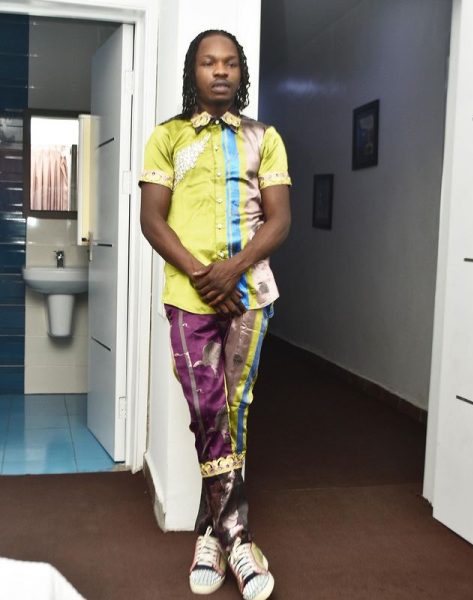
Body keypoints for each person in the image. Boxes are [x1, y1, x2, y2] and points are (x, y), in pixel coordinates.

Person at [139, 29, 291, 600]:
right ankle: (239, 540)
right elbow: (152, 219)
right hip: (188, 295)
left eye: (230, 63)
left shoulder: (265, 138)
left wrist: (234, 270)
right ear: (194, 71)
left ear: (241, 72)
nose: (220, 71)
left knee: (234, 408)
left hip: (250, 293)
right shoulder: (167, 137)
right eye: (209, 62)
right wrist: (206, 276)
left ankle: (209, 533)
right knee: (207, 409)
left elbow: (279, 219)